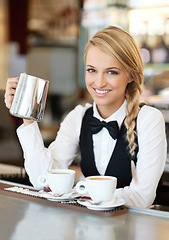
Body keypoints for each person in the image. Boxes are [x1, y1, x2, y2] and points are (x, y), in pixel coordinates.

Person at [4, 26, 167, 208]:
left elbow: (141, 197)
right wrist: (28, 118)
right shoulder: (78, 117)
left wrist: (79, 191)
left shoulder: (149, 119)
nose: (99, 82)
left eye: (111, 72)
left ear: (130, 74)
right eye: (92, 70)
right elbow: (43, 181)